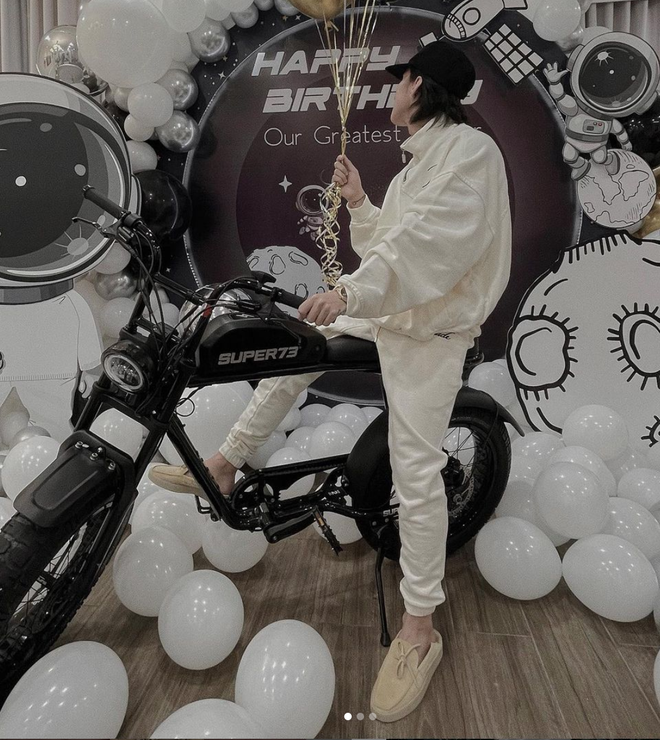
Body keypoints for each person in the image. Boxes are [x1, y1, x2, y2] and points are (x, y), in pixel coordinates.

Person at [150, 40, 512, 722]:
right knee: (296, 353)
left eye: (399, 80)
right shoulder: (418, 164)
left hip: (430, 335)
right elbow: (387, 247)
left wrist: (348, 293)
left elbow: (427, 252)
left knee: (415, 470)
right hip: (392, 315)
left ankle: (419, 630)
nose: (391, 91)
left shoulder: (472, 154)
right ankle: (225, 465)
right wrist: (362, 202)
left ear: (422, 86)